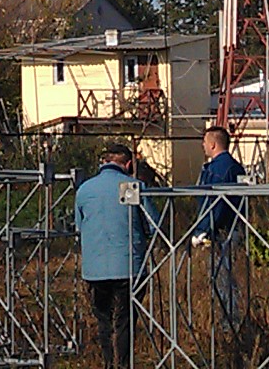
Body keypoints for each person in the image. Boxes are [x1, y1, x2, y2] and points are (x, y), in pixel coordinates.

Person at [75, 143, 159, 368]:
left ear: (103, 162)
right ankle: (123, 363)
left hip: (94, 269)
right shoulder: (133, 186)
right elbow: (154, 225)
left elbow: (79, 227)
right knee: (125, 320)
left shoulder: (84, 189)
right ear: (129, 164)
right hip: (129, 266)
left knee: (104, 320)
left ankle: (107, 362)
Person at [188, 126, 244, 334]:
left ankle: (228, 325)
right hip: (232, 228)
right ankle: (229, 322)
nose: (203, 146)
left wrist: (203, 230)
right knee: (228, 278)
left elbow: (214, 203)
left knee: (223, 280)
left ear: (213, 144)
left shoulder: (217, 170)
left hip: (220, 232)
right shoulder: (235, 167)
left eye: (205, 142)